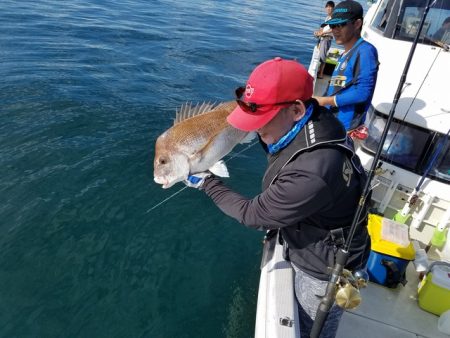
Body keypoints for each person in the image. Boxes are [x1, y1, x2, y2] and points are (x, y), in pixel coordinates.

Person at [184, 57, 371, 338]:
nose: (256, 128)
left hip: (323, 266)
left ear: (296, 109)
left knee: (312, 330)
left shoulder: (312, 171)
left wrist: (207, 183)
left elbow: (252, 214)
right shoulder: (317, 118)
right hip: (316, 227)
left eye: (262, 120)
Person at [314, 0, 379, 132]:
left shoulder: (366, 51)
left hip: (345, 128)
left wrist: (325, 101)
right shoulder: (344, 53)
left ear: (357, 24)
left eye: (341, 25)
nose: (335, 30)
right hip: (332, 122)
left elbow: (362, 93)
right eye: (333, 26)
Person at [314, 1, 335, 79]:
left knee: (323, 57)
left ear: (333, 8)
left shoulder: (333, 18)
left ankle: (321, 73)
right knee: (321, 55)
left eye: (330, 7)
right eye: (327, 7)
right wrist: (318, 32)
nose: (328, 8)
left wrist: (322, 33)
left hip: (327, 39)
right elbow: (324, 28)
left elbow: (333, 29)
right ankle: (320, 71)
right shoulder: (327, 18)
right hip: (323, 38)